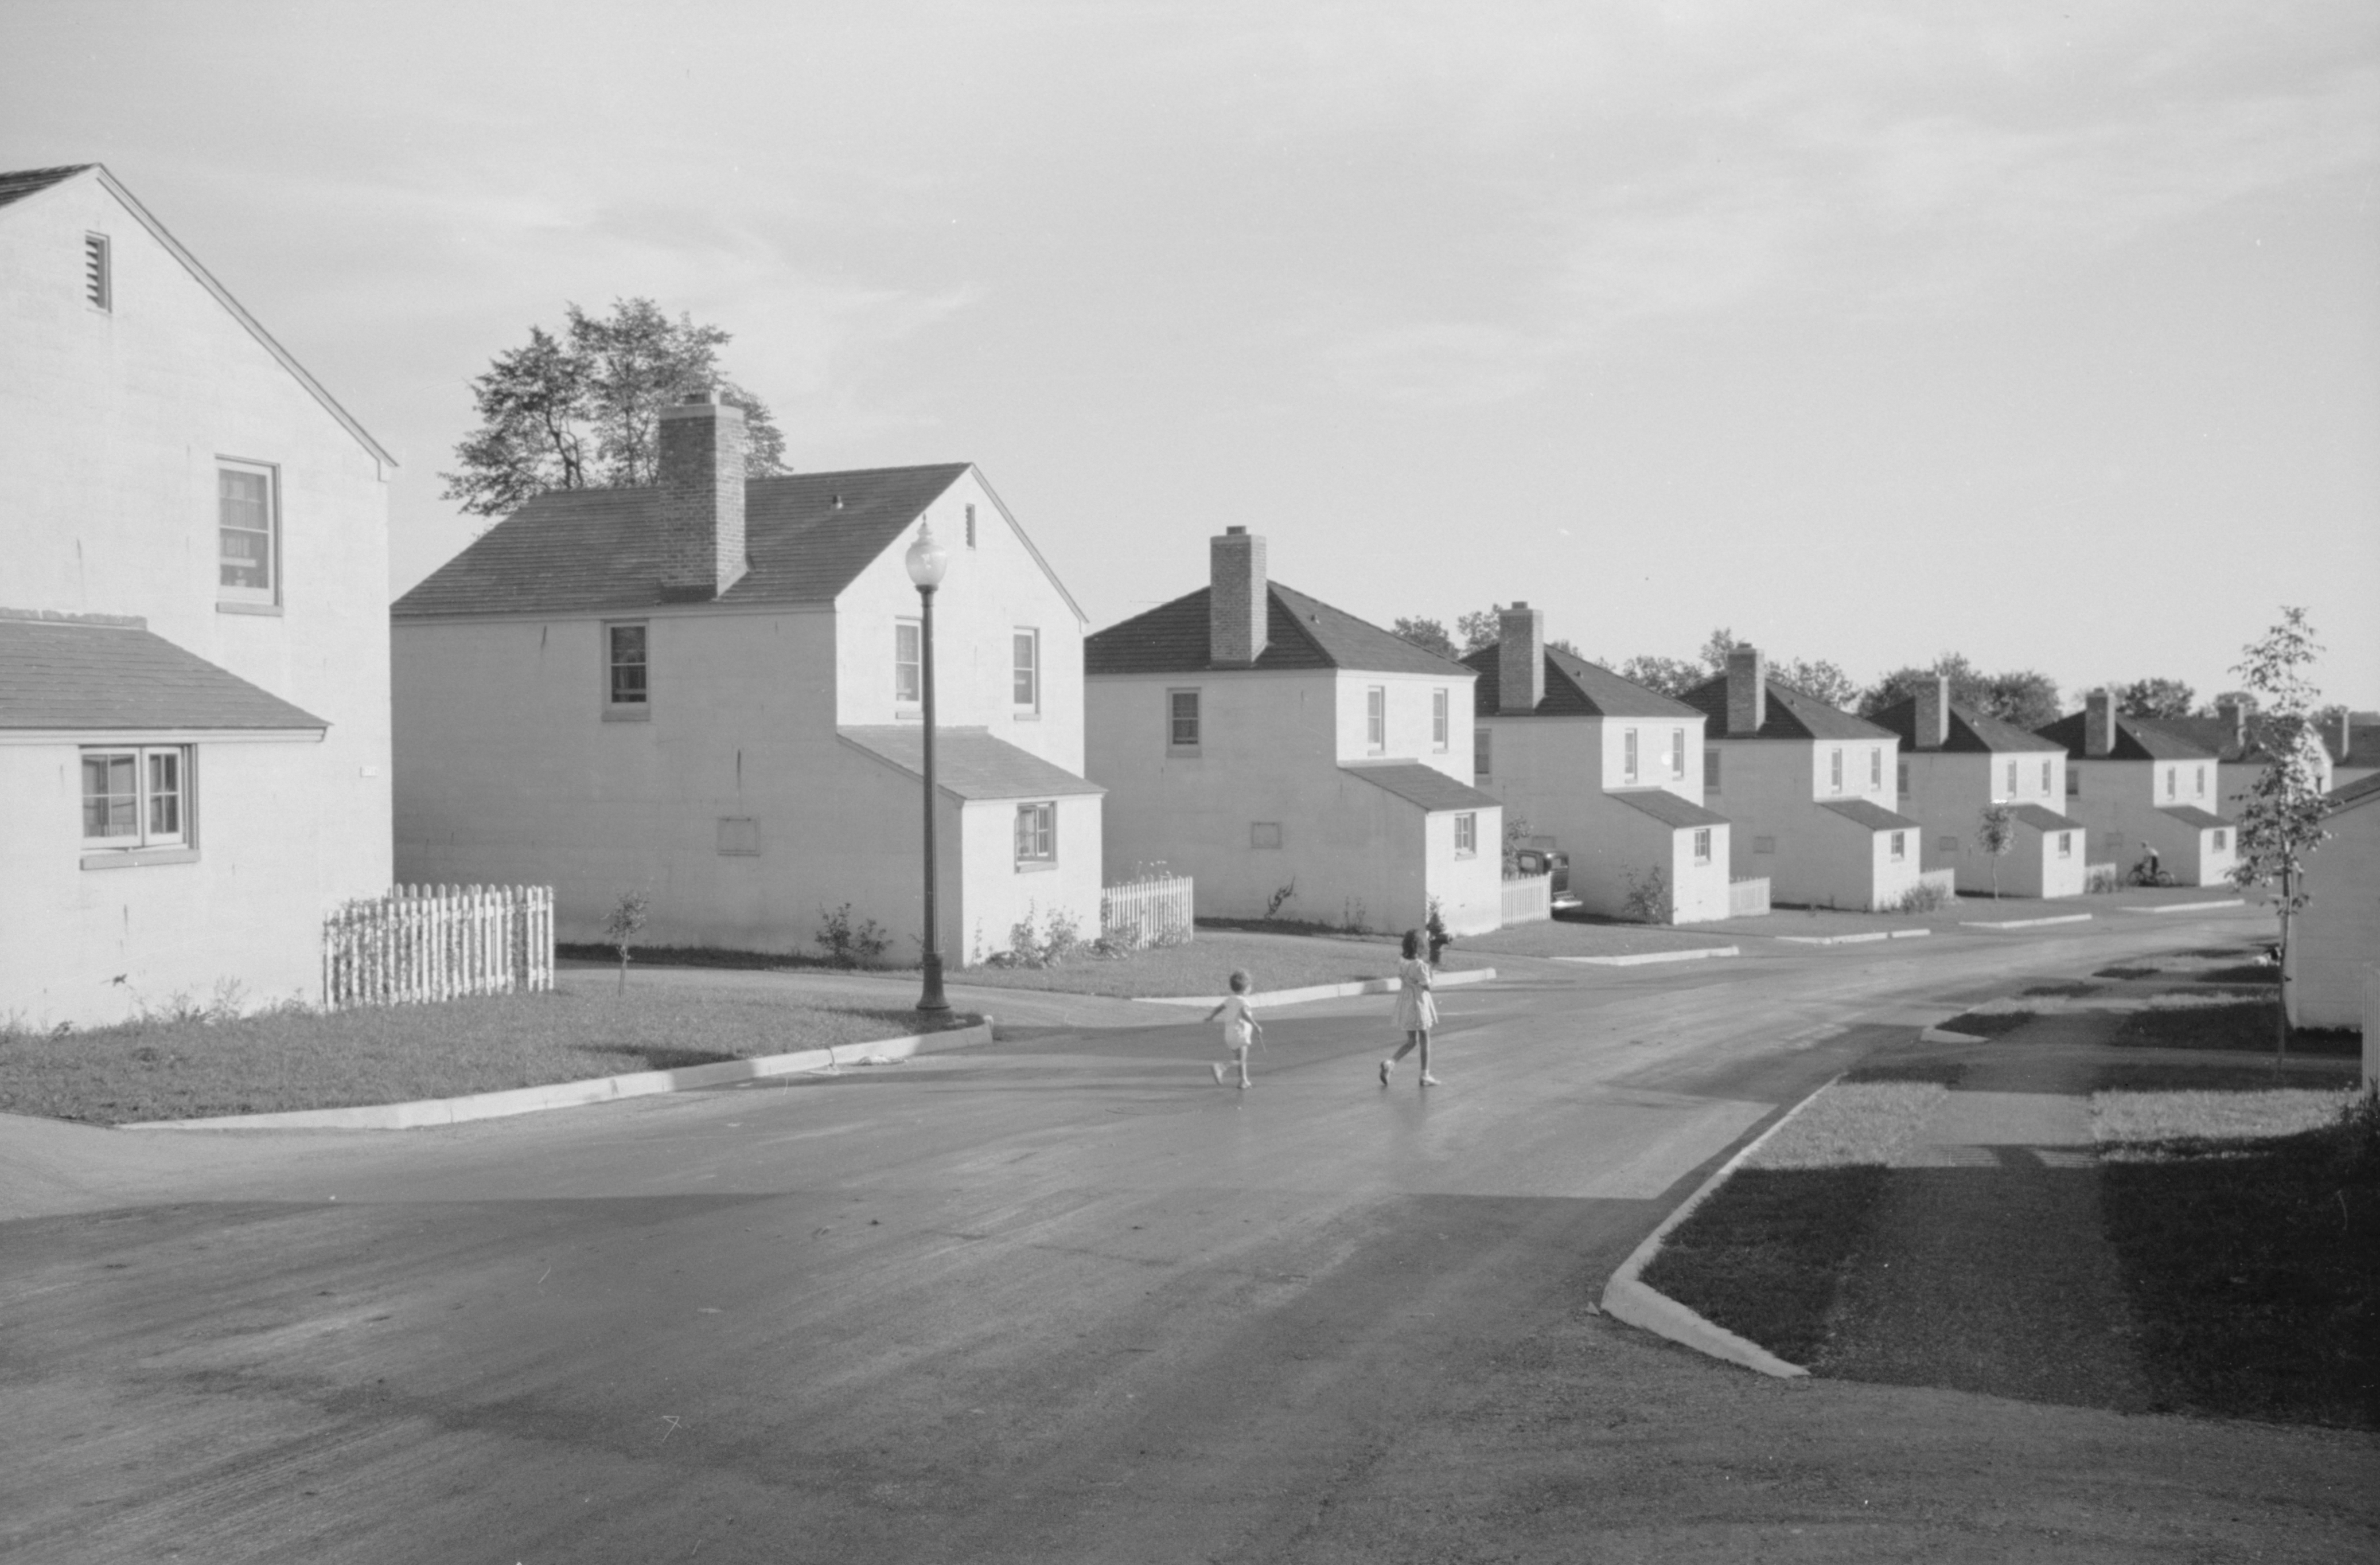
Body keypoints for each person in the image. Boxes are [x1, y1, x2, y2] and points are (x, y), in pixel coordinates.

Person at [1380, 929, 1440, 1087]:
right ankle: (1425, 1075)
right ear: (1418, 947)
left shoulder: (1403, 961)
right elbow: (1427, 986)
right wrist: (1431, 974)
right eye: (1423, 946)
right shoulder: (1419, 965)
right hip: (1419, 1004)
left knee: (1411, 1041)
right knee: (1425, 1038)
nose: (1426, 949)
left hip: (1406, 1003)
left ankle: (1390, 1063)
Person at [1205, 970, 1262, 1088]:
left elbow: (1219, 1008)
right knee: (1241, 1060)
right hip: (1240, 1034)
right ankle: (1221, 1067)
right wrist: (1256, 1025)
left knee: (1240, 1059)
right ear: (1246, 988)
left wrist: (1211, 1017)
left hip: (1230, 1034)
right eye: (1250, 986)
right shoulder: (1244, 1002)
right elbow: (1244, 1014)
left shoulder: (1230, 1000)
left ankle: (1243, 1081)